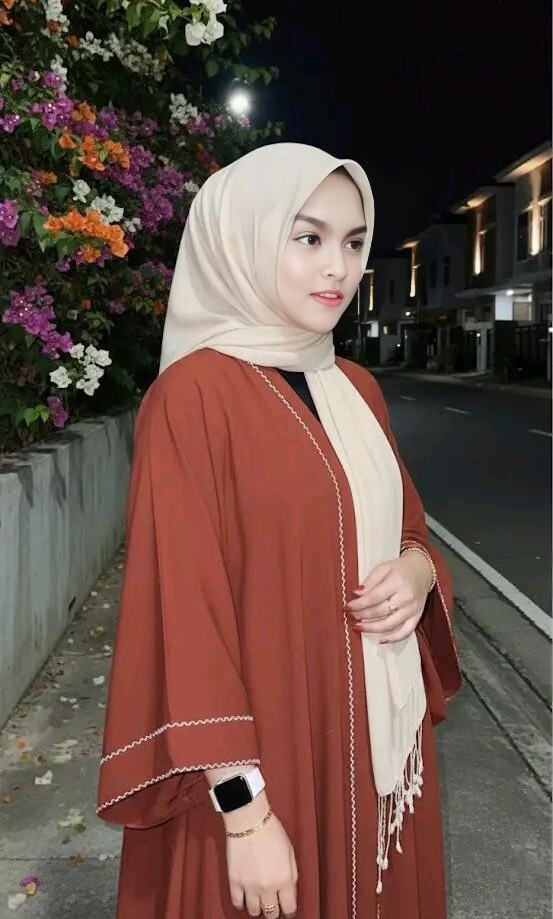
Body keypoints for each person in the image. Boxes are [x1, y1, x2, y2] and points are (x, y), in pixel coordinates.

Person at [97, 143, 463, 919]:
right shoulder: (192, 399)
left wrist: (417, 572)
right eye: (307, 238)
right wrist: (245, 815)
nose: (338, 267)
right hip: (261, 759)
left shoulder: (354, 386)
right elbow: (183, 621)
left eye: (353, 242)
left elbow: (408, 528)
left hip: (376, 752)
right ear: (243, 241)